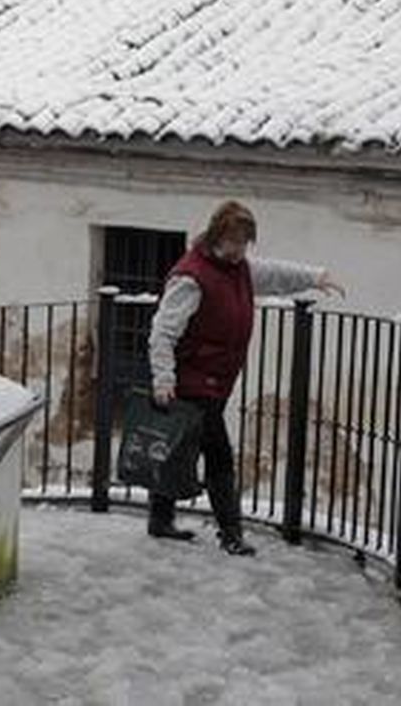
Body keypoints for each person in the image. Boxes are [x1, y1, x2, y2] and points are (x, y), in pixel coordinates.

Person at [145, 200, 344, 555]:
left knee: (177, 450)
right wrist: (164, 379)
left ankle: (160, 520)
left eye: (245, 242)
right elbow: (162, 332)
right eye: (234, 241)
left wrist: (316, 277)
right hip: (192, 381)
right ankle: (231, 534)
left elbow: (274, 274)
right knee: (219, 456)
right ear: (217, 235)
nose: (240, 249)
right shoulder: (191, 277)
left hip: (215, 381)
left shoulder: (238, 270)